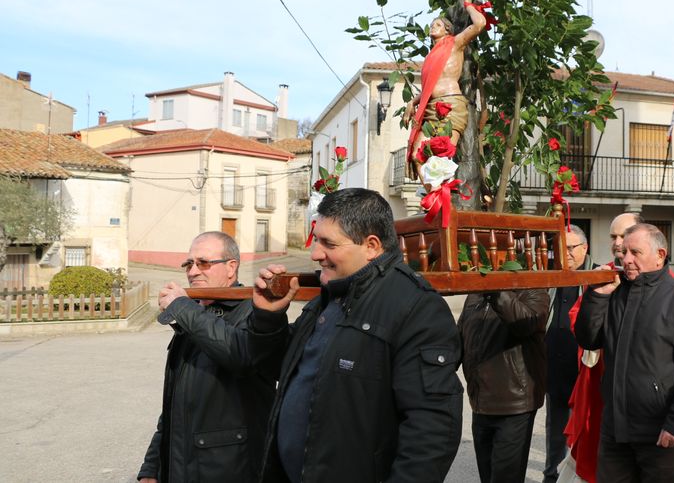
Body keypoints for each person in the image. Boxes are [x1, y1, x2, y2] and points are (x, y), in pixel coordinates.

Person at [248, 187, 463, 482]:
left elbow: (432, 430)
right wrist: (268, 317)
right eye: (316, 240)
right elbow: (280, 370)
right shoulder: (329, 296)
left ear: (372, 246)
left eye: (328, 243)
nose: (315, 254)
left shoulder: (417, 308)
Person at [575, 224, 674, 483]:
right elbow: (589, 339)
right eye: (624, 251)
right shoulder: (614, 292)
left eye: (635, 252)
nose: (625, 258)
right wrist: (597, 297)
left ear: (660, 255)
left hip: (661, 433)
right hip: (615, 431)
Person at [137, 232, 275, 483]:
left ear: (231, 267)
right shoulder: (197, 312)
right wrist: (152, 465)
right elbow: (178, 401)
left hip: (230, 470)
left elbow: (241, 356)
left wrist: (183, 307)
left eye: (204, 263)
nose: (193, 271)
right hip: (185, 466)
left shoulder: (256, 311)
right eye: (189, 264)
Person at [458, 289, 549, 483]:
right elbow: (460, 340)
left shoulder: (534, 290)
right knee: (487, 476)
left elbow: (526, 323)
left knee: (505, 478)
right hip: (480, 403)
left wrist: (496, 291)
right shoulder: (475, 295)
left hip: (515, 405)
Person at [403, 0, 487, 180]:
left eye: (439, 25)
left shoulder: (455, 43)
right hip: (432, 107)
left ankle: (441, 202)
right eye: (432, 25)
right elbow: (429, 89)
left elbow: (480, 23)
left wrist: (468, 3)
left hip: (450, 106)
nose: (434, 26)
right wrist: (412, 102)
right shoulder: (430, 57)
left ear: (448, 30)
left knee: (441, 158)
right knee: (418, 156)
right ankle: (435, 200)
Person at [543, 225, 592, 483]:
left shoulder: (596, 279)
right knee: (555, 430)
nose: (566, 253)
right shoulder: (552, 276)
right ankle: (551, 475)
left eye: (571, 247)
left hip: (582, 373)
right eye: (561, 247)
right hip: (555, 371)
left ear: (585, 248)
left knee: (582, 432)